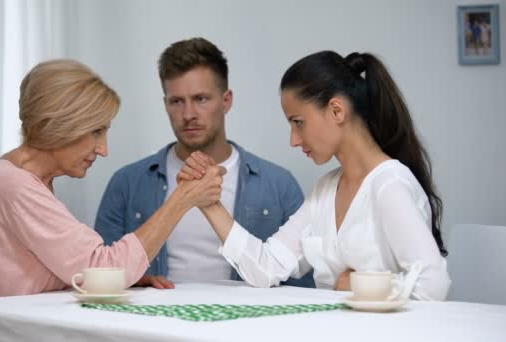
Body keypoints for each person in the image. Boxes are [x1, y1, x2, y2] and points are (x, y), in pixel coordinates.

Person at [180, 51, 451, 300]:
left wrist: (358, 285)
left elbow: (434, 283)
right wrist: (210, 205)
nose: (293, 140)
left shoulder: (389, 185)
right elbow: (267, 267)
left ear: (336, 110)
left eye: (298, 122)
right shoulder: (325, 190)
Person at [0, 59, 224, 301]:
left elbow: (61, 271)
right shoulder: (13, 187)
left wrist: (126, 277)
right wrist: (182, 198)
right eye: (95, 131)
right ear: (57, 124)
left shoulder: (18, 180)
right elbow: (102, 269)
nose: (104, 149)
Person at [94, 37, 314, 289]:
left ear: (226, 100)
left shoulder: (278, 184)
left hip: (248, 325)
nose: (188, 115)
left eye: (201, 99)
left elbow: (303, 286)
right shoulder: (127, 183)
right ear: (165, 105)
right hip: (153, 323)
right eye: (176, 101)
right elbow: (101, 276)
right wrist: (137, 283)